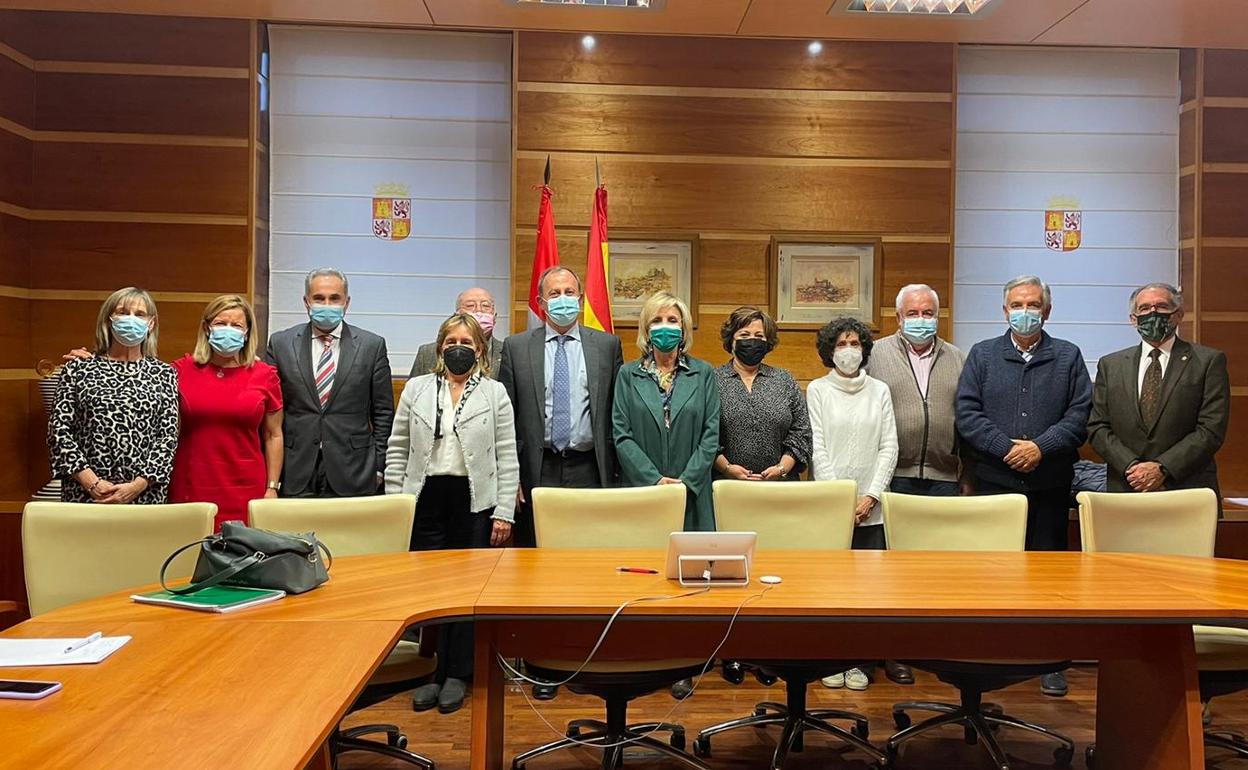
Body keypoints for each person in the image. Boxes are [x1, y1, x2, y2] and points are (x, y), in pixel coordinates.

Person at [956, 274, 1091, 698]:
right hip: (995, 483)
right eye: (1017, 304)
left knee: (1049, 576)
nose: (1025, 311)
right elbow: (967, 413)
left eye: (1033, 304)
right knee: (992, 572)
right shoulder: (982, 355)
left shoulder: (1068, 357)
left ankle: (1048, 659)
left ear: (1047, 311)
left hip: (1049, 484)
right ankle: (991, 651)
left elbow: (1080, 416)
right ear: (1004, 310)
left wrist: (1040, 447)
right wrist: (1005, 448)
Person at [387, 313, 518, 715]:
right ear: (439, 348)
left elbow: (507, 455)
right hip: (425, 498)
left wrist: (504, 512)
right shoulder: (417, 388)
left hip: (474, 499)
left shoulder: (495, 393)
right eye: (449, 341)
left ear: (479, 349)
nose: (457, 348)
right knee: (431, 592)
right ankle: (434, 671)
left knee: (466, 592)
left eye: (466, 341)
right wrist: (395, 506)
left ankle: (458, 673)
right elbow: (397, 448)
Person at [613, 290, 719, 700]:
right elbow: (620, 433)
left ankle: (682, 662)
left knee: (688, 578)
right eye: (657, 321)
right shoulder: (628, 375)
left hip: (693, 493)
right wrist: (654, 482)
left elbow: (711, 434)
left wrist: (686, 481)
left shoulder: (703, 373)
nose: (665, 328)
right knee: (644, 575)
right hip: (644, 495)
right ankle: (641, 653)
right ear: (645, 329)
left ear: (685, 328)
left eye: (673, 320)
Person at [865, 285, 968, 685]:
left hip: (944, 476)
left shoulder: (958, 358)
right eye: (913, 312)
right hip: (893, 478)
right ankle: (894, 652)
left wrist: (966, 476)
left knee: (934, 572)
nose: (921, 319)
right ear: (898, 317)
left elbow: (968, 418)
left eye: (928, 312)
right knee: (891, 571)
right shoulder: (875, 354)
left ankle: (931, 647)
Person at [498, 266, 624, 548]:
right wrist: (512, 478)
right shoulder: (516, 348)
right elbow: (506, 420)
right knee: (536, 550)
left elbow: (617, 413)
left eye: (569, 292)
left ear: (580, 300)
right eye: (554, 293)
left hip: (590, 467)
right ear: (541, 303)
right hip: (537, 466)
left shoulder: (607, 346)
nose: (563, 299)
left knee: (589, 548)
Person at [807, 317, 898, 693]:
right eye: (841, 344)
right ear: (830, 351)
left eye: (855, 343)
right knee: (829, 589)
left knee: (866, 591)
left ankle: (859, 660)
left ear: (864, 348)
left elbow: (888, 446)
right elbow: (818, 448)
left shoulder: (880, 390)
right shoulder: (817, 390)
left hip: (872, 508)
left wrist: (870, 495)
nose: (848, 350)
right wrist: (840, 499)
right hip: (831, 508)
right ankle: (829, 657)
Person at [1088, 282, 1229, 506]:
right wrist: (1132, 467)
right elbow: (1097, 427)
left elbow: (1211, 429)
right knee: (1124, 544)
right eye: (1144, 308)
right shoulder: (1111, 365)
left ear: (1178, 315)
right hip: (1126, 488)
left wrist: (1162, 468)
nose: (1153, 313)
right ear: (1133, 319)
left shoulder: (1208, 361)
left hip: (1186, 489)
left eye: (1161, 307)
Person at [264, 268, 394, 497]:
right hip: (296, 468)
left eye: (334, 298)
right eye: (319, 298)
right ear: (306, 302)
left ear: (347, 302)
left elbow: (383, 413)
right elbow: (271, 411)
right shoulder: (280, 343)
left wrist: (379, 467)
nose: (327, 304)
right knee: (295, 533)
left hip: (355, 469)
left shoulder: (371, 346)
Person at [47, 287, 179, 505]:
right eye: (122, 312)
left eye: (139, 314)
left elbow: (167, 438)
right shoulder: (78, 369)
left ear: (151, 324)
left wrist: (137, 485)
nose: (131, 319)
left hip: (144, 495)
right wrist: (91, 482)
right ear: (108, 320)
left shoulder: (164, 374)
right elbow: (59, 431)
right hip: (86, 493)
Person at [169, 295, 284, 530]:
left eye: (236, 325)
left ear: (247, 332)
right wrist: (92, 361)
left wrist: (272, 487)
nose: (228, 330)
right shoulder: (180, 370)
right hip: (190, 485)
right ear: (206, 328)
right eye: (221, 323)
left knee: (243, 559)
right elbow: (137, 378)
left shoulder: (265, 375)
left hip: (245, 488)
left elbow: (274, 435)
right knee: (188, 558)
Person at [713, 306, 810, 482]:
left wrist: (782, 468)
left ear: (768, 342)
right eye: (744, 335)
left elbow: (801, 432)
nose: (752, 341)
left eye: (759, 336)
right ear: (731, 341)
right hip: (727, 486)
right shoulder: (712, 380)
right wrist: (726, 468)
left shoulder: (784, 380)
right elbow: (702, 434)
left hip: (781, 487)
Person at [410, 287, 504, 378]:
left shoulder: (507, 353)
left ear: (495, 317)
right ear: (456, 316)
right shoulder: (427, 353)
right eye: (470, 305)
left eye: (485, 306)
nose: (479, 310)